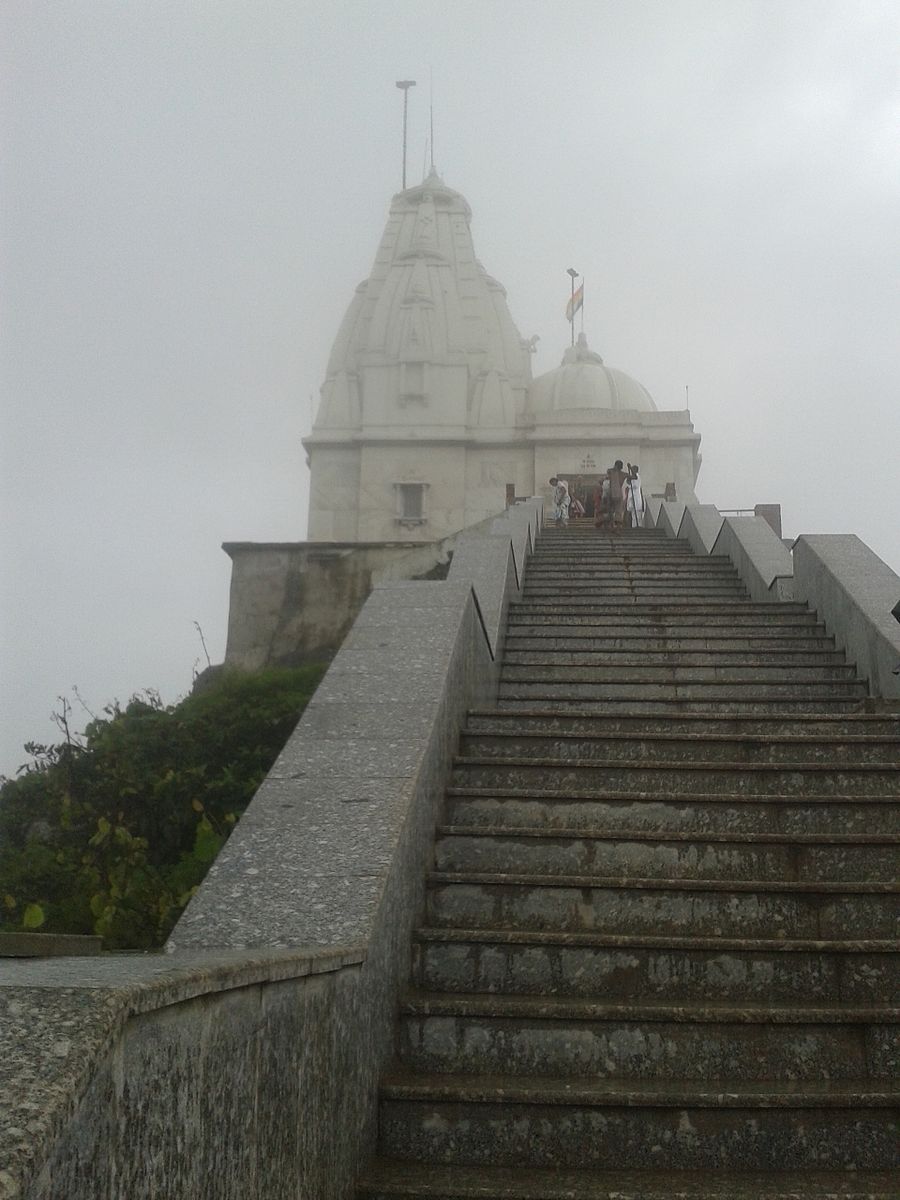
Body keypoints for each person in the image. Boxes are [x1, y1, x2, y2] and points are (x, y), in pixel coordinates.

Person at [607, 460, 628, 530]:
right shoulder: (623, 474)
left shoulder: (611, 472)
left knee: (611, 510)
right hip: (618, 494)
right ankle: (616, 526)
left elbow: (608, 471)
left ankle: (612, 525)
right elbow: (634, 477)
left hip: (612, 493)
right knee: (617, 511)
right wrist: (630, 468)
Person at [625, 463, 645, 528]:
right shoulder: (632, 477)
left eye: (632, 470)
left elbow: (635, 481)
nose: (631, 471)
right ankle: (634, 527)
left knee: (638, 515)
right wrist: (628, 478)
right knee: (633, 515)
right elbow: (628, 483)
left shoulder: (637, 476)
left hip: (636, 498)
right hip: (632, 498)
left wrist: (630, 467)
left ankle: (639, 527)